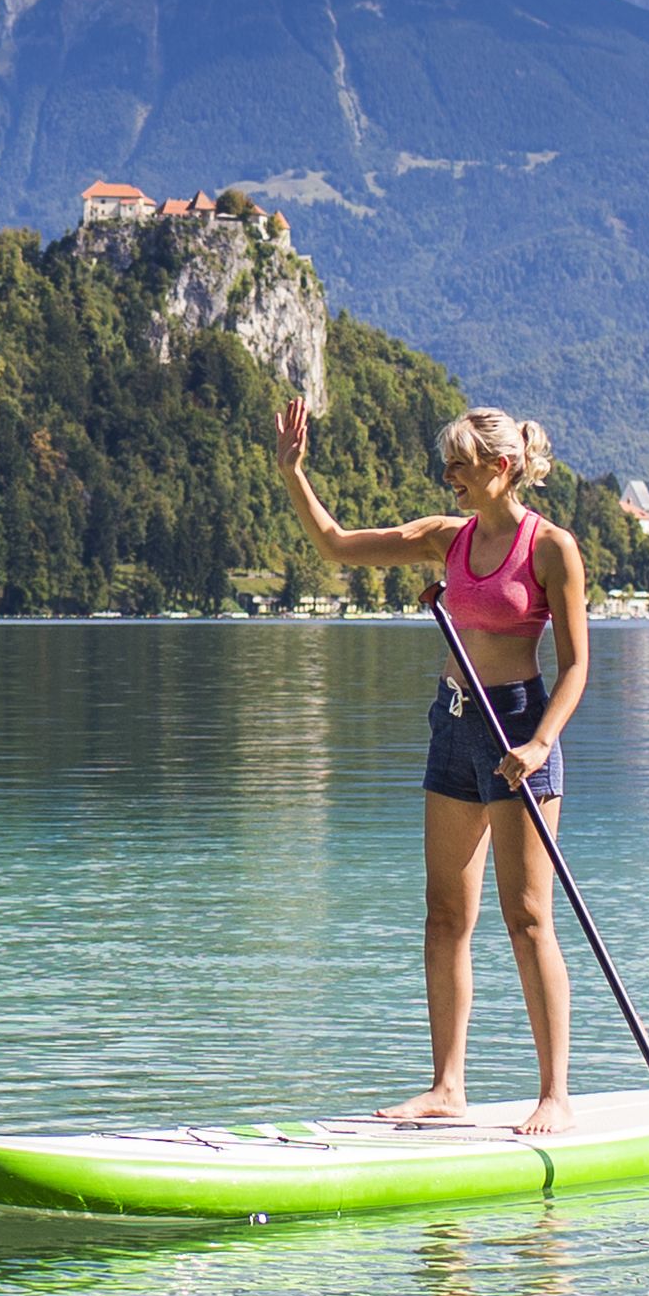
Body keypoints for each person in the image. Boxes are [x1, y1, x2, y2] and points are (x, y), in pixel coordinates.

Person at [275, 400, 591, 1133]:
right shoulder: (446, 539)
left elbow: (575, 668)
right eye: (448, 462)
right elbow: (335, 545)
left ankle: (556, 1094)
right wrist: (294, 473)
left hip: (517, 731)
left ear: (500, 467)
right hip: (453, 727)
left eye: (460, 462)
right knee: (446, 915)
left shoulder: (552, 549)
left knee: (529, 918)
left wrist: (541, 743)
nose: (447, 474)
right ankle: (448, 1086)